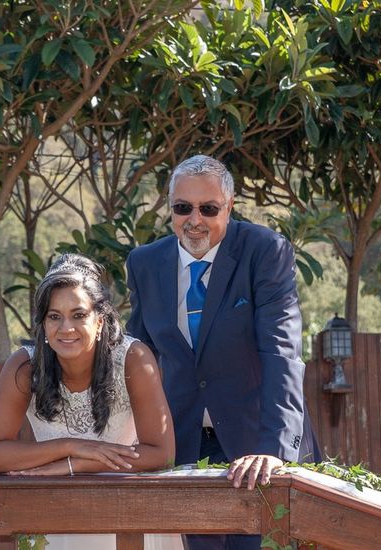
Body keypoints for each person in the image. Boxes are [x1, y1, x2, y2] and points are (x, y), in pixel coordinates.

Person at [126, 155, 319, 550]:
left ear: (229, 207)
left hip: (256, 444)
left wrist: (273, 450)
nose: (194, 219)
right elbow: (136, 358)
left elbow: (281, 350)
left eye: (208, 208)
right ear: (170, 208)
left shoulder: (265, 251)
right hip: (181, 448)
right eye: (183, 208)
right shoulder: (144, 263)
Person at [0, 254, 180, 550]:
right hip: (55, 519)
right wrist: (68, 446)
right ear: (43, 324)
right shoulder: (24, 367)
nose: (65, 328)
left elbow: (161, 454)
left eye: (78, 315)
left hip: (128, 517)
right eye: (54, 316)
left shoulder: (133, 359)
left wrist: (76, 465)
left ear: (100, 320)